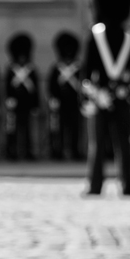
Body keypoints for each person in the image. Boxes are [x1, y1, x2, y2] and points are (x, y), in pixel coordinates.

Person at [80, 0, 130, 196]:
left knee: (97, 146)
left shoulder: (94, 35)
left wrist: (93, 94)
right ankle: (127, 184)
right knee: (123, 144)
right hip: (118, 98)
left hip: (102, 98)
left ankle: (95, 185)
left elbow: (85, 74)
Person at [47, 30, 84, 161]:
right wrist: (52, 98)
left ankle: (75, 150)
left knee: (75, 129)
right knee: (59, 129)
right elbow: (52, 85)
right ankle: (58, 150)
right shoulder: (57, 68)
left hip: (75, 102)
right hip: (61, 103)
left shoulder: (78, 68)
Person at [3, 32, 39, 161]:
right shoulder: (11, 69)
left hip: (27, 104)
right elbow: (7, 86)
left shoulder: (31, 69)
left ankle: (28, 151)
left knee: (28, 130)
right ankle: (11, 150)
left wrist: (35, 105)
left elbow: (35, 89)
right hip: (14, 104)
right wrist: (8, 99)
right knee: (12, 129)